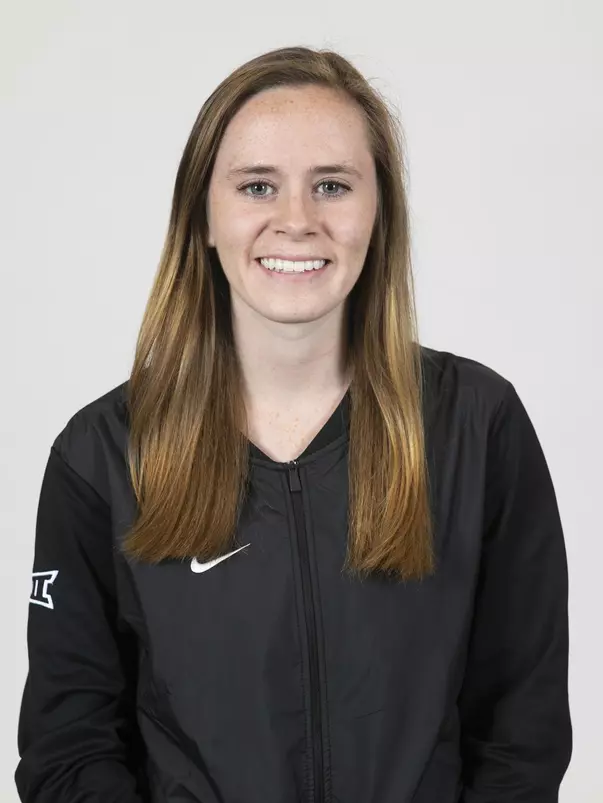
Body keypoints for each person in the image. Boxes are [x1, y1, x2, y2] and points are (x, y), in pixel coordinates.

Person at [15, 45, 572, 803]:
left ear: (378, 213)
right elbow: (67, 748)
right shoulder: (101, 457)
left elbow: (521, 731)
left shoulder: (477, 427)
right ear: (202, 216)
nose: (296, 220)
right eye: (256, 186)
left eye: (333, 185)